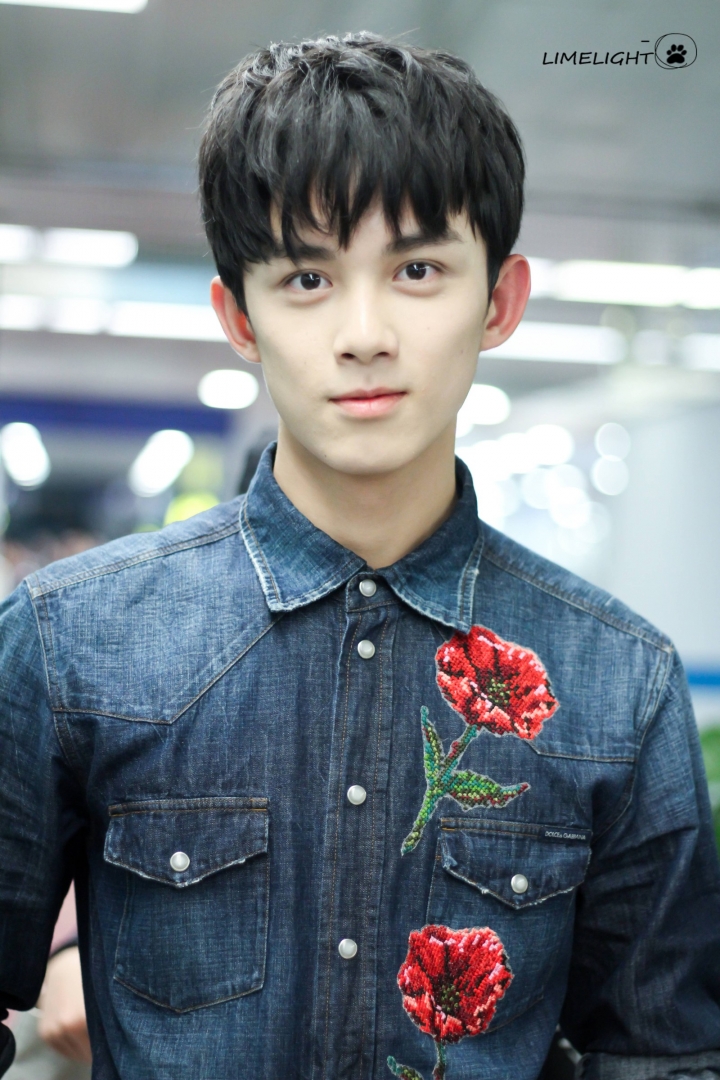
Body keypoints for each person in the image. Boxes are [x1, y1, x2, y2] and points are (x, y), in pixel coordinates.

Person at [1, 32, 720, 1080]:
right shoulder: (73, 644)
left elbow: (665, 1057)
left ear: (500, 300)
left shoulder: (618, 684)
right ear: (238, 317)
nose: (365, 332)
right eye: (307, 277)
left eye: (418, 269)